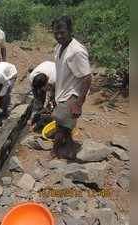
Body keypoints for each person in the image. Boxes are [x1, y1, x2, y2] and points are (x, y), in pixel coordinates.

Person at [51, 16, 92, 159]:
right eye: (56, 32)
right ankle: (69, 149)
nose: (59, 36)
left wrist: (79, 104)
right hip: (62, 92)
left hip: (72, 94)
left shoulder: (76, 51)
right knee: (66, 125)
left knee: (61, 124)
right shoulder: (58, 47)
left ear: (70, 30)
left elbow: (87, 77)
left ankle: (55, 151)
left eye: (62, 32)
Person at [28, 61, 57, 127]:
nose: (41, 90)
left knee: (55, 101)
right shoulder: (32, 78)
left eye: (44, 88)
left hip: (54, 70)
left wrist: (50, 102)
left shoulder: (54, 79)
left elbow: (54, 94)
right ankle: (34, 117)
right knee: (38, 100)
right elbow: (36, 94)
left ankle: (54, 118)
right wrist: (39, 103)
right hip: (45, 67)